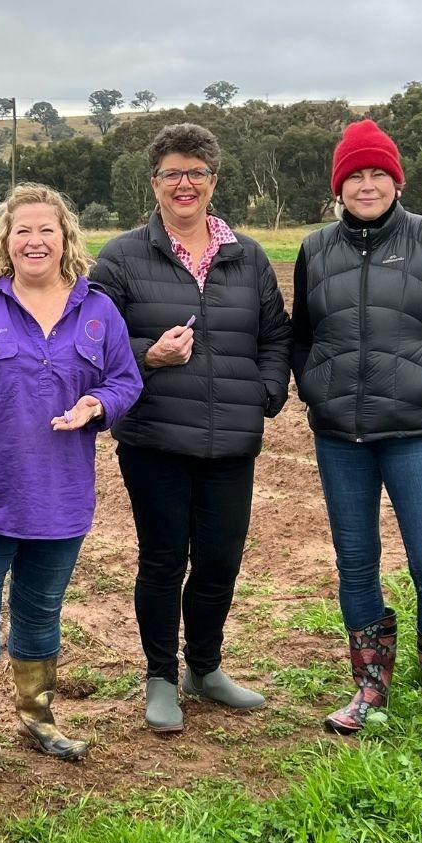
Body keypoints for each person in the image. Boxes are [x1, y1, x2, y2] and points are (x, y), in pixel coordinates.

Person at [290, 121, 422, 733]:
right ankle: (369, 690)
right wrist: (313, 386)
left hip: (416, 434)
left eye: (379, 173)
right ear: (339, 186)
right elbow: (301, 335)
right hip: (340, 437)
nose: (368, 184)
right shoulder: (315, 248)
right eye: (356, 175)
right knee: (357, 564)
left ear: (397, 182)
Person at [0, 184, 143, 794]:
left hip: (61, 498)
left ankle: (38, 717)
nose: (34, 241)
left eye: (46, 230)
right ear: (5, 240)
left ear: (66, 239)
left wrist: (97, 405)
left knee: (40, 612)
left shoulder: (99, 311)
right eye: (22, 230)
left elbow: (126, 381)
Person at [90, 122, 291, 734]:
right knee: (161, 560)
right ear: (154, 183)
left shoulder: (247, 254)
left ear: (213, 181)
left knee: (220, 561)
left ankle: (205, 668)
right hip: (155, 439)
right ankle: (160, 675)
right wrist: (149, 354)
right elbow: (92, 338)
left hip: (232, 439)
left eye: (196, 173)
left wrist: (265, 393)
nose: (185, 183)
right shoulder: (123, 256)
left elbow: (276, 333)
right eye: (173, 173)